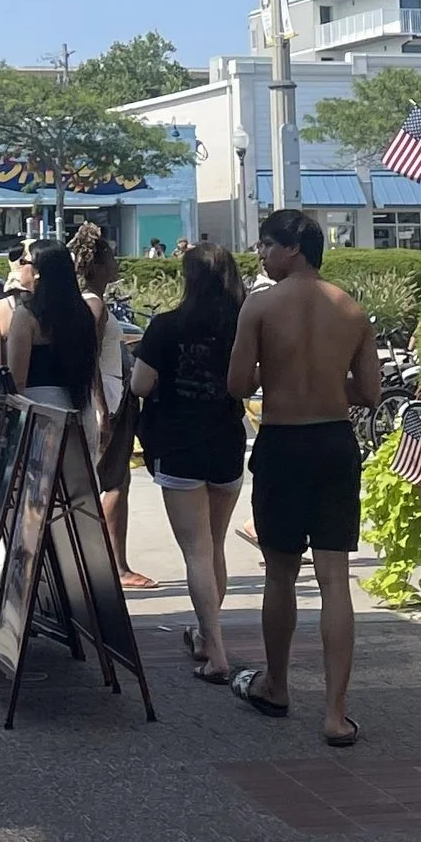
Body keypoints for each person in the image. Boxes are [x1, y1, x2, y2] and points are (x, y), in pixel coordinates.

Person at [226, 208, 378, 745]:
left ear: (293, 248)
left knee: (281, 573)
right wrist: (327, 382)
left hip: (285, 441)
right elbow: (370, 393)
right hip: (335, 442)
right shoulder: (351, 308)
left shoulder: (261, 305)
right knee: (335, 578)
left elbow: (238, 382)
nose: (261, 254)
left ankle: (277, 684)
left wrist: (280, 372)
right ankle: (336, 714)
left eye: (267, 244)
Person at [131, 243, 249, 680]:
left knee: (196, 551)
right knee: (215, 544)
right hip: (226, 440)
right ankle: (205, 636)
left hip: (179, 443)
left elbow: (141, 385)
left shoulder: (166, 326)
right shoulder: (242, 324)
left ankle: (215, 652)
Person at [70, 223, 152, 589]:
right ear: (99, 265)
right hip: (111, 399)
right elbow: (88, 359)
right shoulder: (94, 303)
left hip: (114, 394)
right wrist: (102, 408)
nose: (117, 263)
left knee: (118, 479)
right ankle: (112, 564)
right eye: (111, 258)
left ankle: (113, 561)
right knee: (115, 482)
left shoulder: (89, 301)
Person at [1, 240, 100, 419]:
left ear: (38, 272)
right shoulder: (83, 312)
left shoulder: (27, 315)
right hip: (81, 411)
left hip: (40, 417)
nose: (18, 267)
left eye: (24, 262)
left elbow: (17, 381)